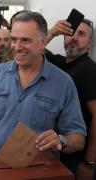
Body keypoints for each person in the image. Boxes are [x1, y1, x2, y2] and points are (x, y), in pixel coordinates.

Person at [0, 11, 86, 169]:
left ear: (43, 42)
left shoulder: (63, 83)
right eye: (14, 39)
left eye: (26, 40)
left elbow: (78, 138)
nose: (17, 47)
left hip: (38, 173)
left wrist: (61, 141)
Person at [46, 19, 96, 180]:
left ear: (90, 43)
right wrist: (52, 32)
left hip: (77, 159)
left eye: (81, 34)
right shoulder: (59, 63)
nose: (73, 37)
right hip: (57, 151)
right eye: (70, 33)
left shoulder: (89, 70)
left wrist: (90, 162)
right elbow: (31, 49)